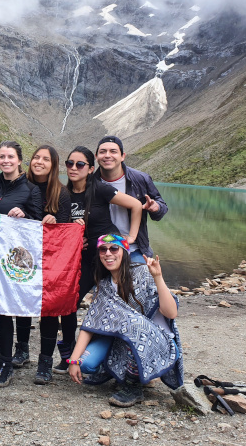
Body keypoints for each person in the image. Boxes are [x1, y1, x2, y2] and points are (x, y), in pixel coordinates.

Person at [53, 146, 142, 374]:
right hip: (81, 259)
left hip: (107, 257)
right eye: (69, 163)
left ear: (90, 168)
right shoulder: (63, 194)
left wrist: (130, 238)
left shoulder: (100, 189)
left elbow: (135, 205)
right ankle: (69, 354)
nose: (74, 168)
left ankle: (123, 355)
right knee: (70, 303)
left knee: (119, 303)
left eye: (80, 164)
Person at [67, 234, 183, 407]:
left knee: (133, 322)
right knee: (86, 364)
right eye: (103, 249)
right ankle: (118, 372)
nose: (108, 253)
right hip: (122, 340)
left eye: (114, 248)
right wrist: (74, 360)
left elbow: (171, 313)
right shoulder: (104, 285)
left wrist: (158, 277)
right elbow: (91, 323)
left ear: (124, 252)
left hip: (157, 341)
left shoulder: (143, 272)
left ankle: (133, 387)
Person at [0, 140, 43, 388]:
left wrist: (25, 216)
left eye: (10, 157)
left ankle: (9, 362)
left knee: (10, 306)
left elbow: (39, 224)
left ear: (20, 160)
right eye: (1, 157)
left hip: (17, 261)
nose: (5, 161)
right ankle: (2, 356)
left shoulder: (31, 189)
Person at [25, 145, 72, 385]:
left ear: (53, 165)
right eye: (36, 157)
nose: (39, 162)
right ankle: (21, 350)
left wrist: (55, 222)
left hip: (50, 261)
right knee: (19, 302)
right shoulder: (21, 185)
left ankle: (45, 361)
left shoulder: (61, 193)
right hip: (24, 258)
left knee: (49, 309)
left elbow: (65, 232)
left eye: (45, 159)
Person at [95, 135, 168, 264]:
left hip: (134, 248)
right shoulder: (90, 182)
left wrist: (156, 207)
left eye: (113, 151)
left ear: (123, 156)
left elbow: (161, 207)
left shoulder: (140, 179)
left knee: (142, 281)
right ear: (96, 157)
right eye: (102, 152)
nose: (107, 155)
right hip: (101, 249)